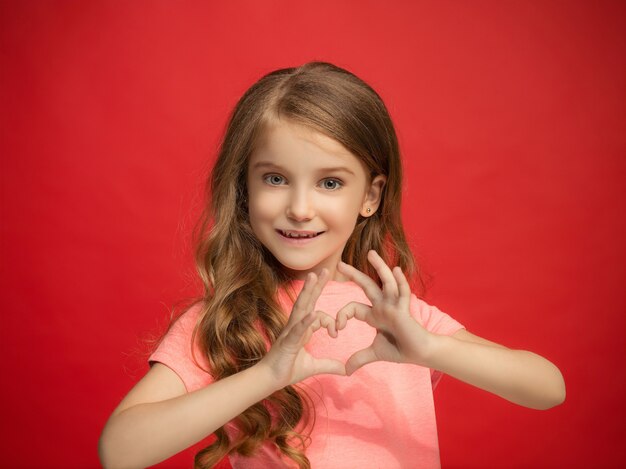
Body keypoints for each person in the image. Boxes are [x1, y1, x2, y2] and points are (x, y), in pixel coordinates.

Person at [98, 61, 566, 469]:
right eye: (276, 178)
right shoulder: (224, 319)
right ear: (244, 188)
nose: (300, 208)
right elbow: (120, 451)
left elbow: (547, 388)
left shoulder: (399, 319)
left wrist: (429, 348)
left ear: (370, 196)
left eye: (330, 183)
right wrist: (267, 375)